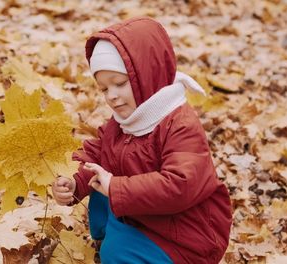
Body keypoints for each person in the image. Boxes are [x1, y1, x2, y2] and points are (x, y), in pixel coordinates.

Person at [51, 17, 232, 264]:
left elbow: (180, 185)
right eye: (104, 89)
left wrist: (116, 188)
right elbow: (95, 153)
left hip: (184, 235)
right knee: (101, 175)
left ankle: (126, 251)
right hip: (144, 216)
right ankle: (113, 236)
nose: (112, 96)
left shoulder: (179, 124)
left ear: (148, 76)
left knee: (115, 253)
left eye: (120, 84)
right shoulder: (125, 121)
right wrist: (73, 180)